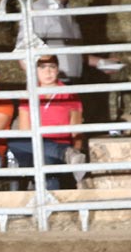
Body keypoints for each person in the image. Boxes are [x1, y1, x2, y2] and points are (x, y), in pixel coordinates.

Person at [15, 0, 119, 83]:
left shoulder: (67, 12)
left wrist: (101, 63)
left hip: (72, 84)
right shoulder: (39, 10)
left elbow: (73, 52)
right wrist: (44, 85)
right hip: (55, 86)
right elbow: (23, 54)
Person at [8, 55, 85, 191]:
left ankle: (50, 207)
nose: (48, 72)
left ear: (57, 70)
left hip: (59, 143)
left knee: (46, 164)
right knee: (14, 141)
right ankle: (64, 153)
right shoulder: (29, 94)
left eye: (52, 67)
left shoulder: (69, 93)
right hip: (35, 146)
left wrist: (77, 152)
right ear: (35, 71)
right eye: (42, 67)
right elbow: (25, 130)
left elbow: (76, 128)